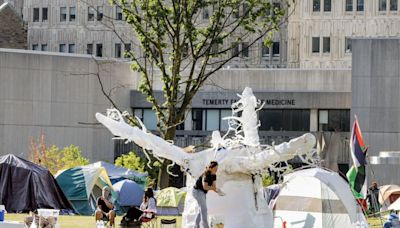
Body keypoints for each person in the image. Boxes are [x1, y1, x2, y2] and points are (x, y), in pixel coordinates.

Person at [193, 161, 221, 228]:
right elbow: (205, 187)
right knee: (204, 210)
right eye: (215, 168)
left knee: (201, 210)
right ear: (211, 168)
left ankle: (196, 226)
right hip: (197, 191)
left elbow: (213, 186)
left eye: (217, 168)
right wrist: (213, 188)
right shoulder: (206, 174)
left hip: (202, 192)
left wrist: (216, 190)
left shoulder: (214, 175)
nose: (216, 170)